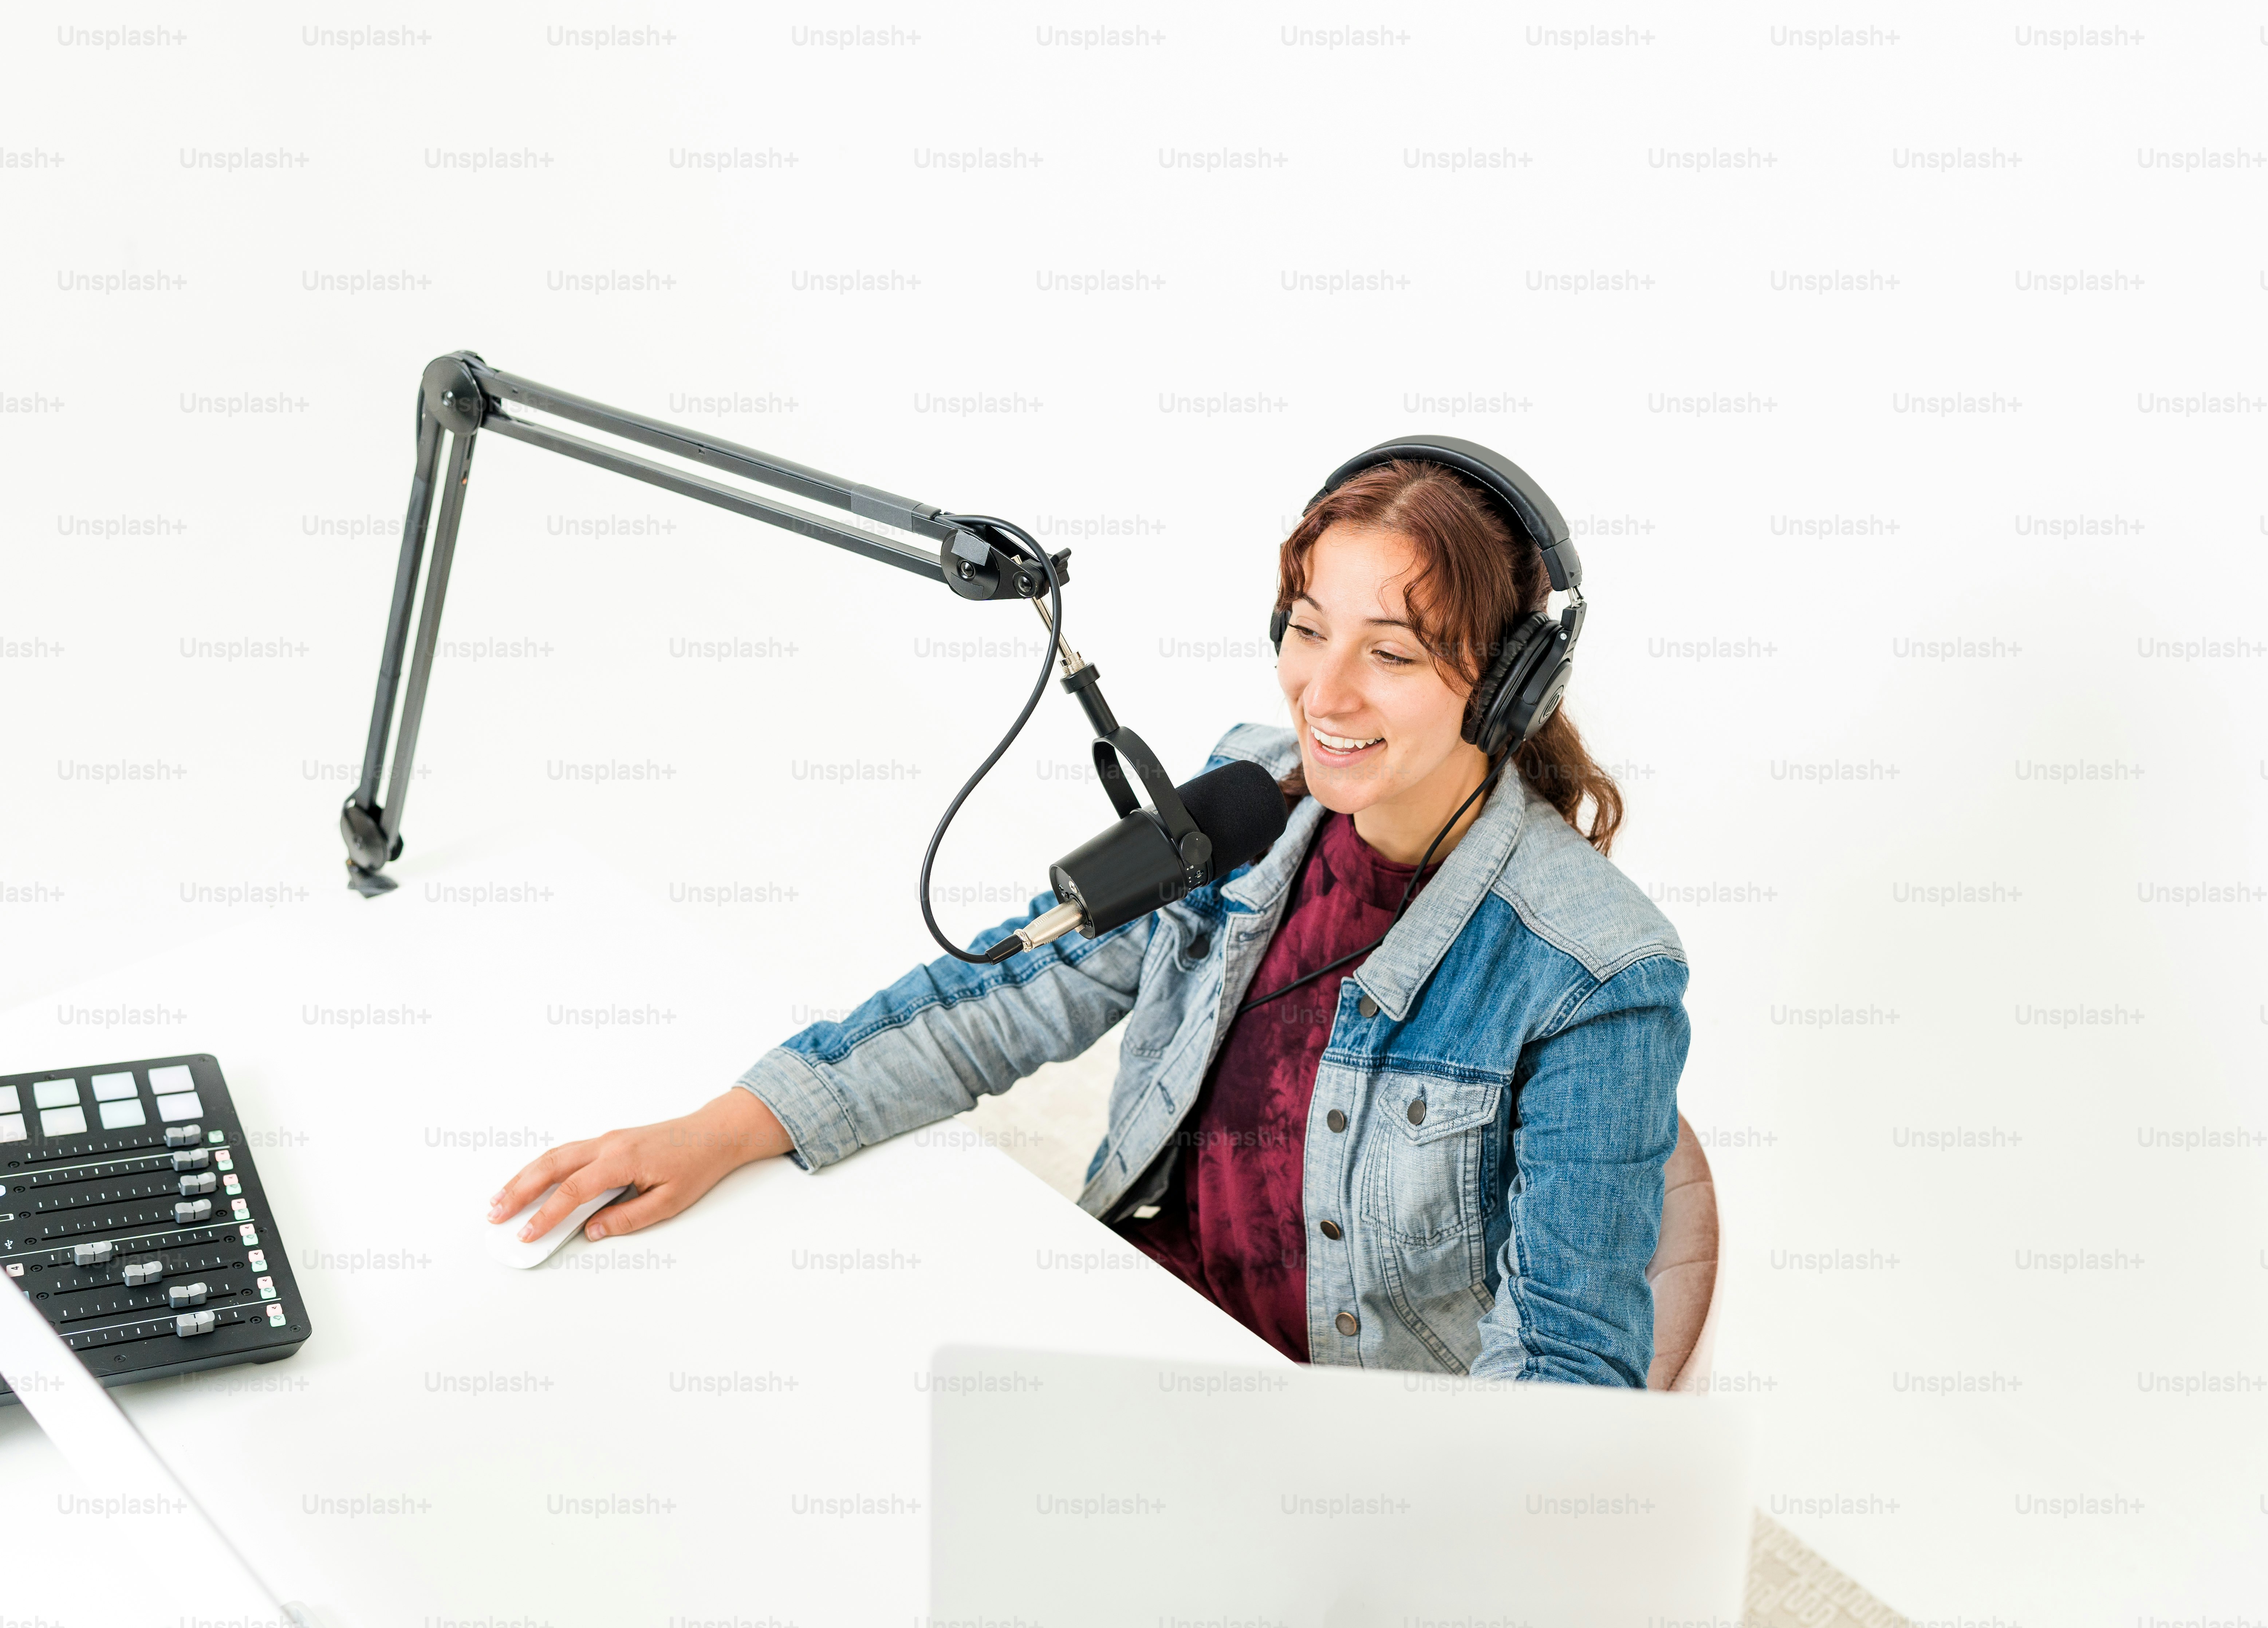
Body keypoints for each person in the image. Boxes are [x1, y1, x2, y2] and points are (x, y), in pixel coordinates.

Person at [488, 442, 1690, 1385]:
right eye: (1309, 630)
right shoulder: (1245, 801)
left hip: (1340, 1434)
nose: (1322, 693)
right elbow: (1001, 994)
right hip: (1142, 1323)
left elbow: (1563, 1370)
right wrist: (726, 1125)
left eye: (1391, 654)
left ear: (1508, 683)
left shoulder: (1595, 970)